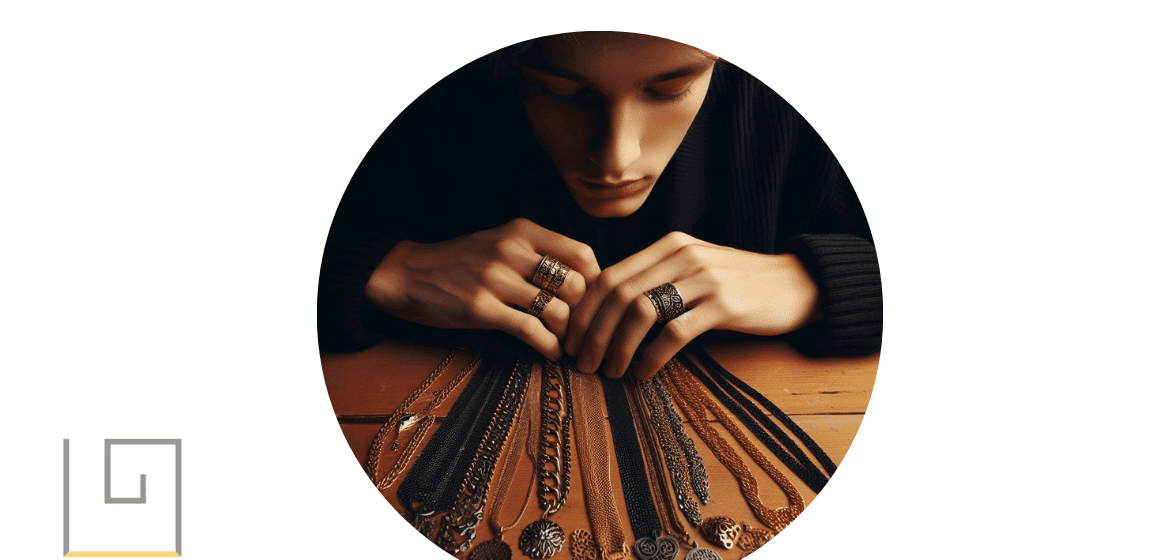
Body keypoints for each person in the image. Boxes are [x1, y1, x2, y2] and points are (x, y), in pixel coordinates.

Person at [318, 31, 882, 379]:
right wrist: (377, 270)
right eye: (561, 92)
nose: (617, 156)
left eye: (670, 89)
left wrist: (817, 281)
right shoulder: (431, 103)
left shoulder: (802, 111)